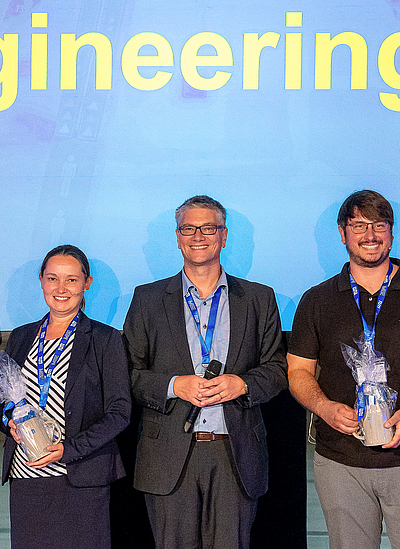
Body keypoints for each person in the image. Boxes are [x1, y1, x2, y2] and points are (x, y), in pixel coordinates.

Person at [287, 190, 400, 549]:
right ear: (342, 233)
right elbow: (298, 372)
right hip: (339, 461)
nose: (370, 235)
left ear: (392, 233)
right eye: (359, 225)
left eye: (379, 225)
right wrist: (324, 408)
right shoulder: (316, 300)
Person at [123, 195, 287, 549]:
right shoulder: (147, 299)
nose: (198, 236)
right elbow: (129, 374)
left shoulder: (259, 299)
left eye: (208, 228)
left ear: (224, 236)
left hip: (235, 454)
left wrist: (242, 383)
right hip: (168, 455)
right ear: (178, 236)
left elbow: (277, 369)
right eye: (188, 228)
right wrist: (173, 385)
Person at [0, 244, 131, 549]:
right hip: (27, 475)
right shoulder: (22, 336)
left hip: (80, 476)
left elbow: (120, 412)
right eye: (52, 279)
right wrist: (8, 418)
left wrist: (68, 449)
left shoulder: (105, 340)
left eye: (72, 280)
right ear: (41, 280)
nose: (61, 288)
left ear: (86, 283)